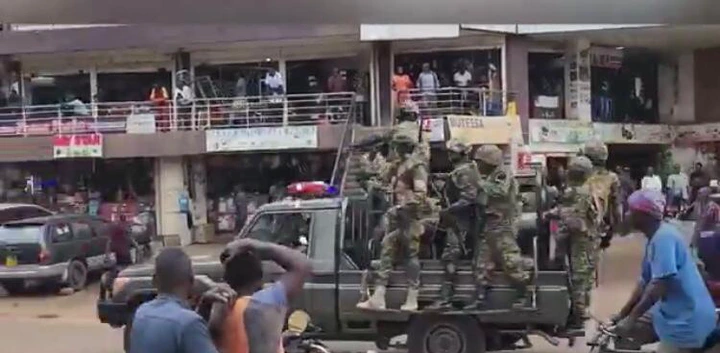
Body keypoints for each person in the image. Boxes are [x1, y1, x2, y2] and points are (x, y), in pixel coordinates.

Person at [611, 189, 716, 353]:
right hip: (671, 313)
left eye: (632, 211)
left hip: (687, 319)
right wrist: (622, 314)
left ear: (644, 215)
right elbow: (644, 283)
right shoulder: (653, 238)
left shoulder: (664, 238)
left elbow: (660, 284)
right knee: (626, 335)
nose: (627, 215)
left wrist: (631, 319)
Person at [357, 134, 429, 312]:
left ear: (401, 148)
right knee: (387, 248)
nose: (392, 151)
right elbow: (384, 181)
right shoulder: (398, 167)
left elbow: (421, 194)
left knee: (410, 255)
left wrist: (402, 206)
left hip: (411, 218)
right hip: (397, 218)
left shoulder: (416, 167)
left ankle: (413, 296)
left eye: (395, 147)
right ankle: (378, 296)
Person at [208, 238, 311, 352]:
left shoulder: (219, 306)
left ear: (225, 278)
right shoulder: (268, 301)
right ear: (260, 280)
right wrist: (251, 244)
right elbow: (301, 265)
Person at [129, 248, 236, 353]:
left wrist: (203, 305)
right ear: (192, 281)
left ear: (154, 281)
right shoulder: (189, 323)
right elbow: (185, 327)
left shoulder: (141, 313)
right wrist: (217, 322)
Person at [468, 144, 530, 309]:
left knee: (510, 261)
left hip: (504, 224)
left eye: (480, 162)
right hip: (490, 224)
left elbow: (499, 191)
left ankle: (525, 293)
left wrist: (480, 184)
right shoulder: (487, 176)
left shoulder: (502, 173)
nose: (478, 165)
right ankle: (481, 298)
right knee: (482, 262)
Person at [428, 139, 483, 311]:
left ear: (461, 154)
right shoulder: (466, 170)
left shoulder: (464, 172)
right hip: (463, 222)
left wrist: (448, 210)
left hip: (462, 223)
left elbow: (469, 197)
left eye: (452, 153)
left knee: (451, 256)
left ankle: (446, 297)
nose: (449, 155)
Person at [545, 156, 598, 330]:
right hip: (586, 239)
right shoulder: (585, 190)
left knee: (578, 276)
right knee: (582, 275)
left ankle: (578, 314)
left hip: (580, 240)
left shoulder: (577, 192)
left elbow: (572, 219)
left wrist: (551, 215)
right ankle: (578, 311)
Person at [582, 140, 622, 249]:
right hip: (599, 226)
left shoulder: (581, 175)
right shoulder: (612, 177)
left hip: (581, 225)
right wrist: (617, 224)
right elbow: (616, 205)